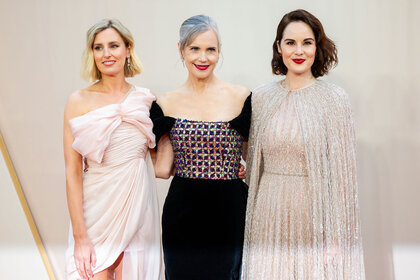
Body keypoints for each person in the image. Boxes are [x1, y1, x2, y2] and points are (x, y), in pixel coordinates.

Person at [241, 9, 365, 279]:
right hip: (267, 213)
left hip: (312, 216)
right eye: (290, 42)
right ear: (279, 47)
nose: (299, 51)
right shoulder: (261, 97)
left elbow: (342, 178)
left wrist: (335, 236)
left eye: (307, 42)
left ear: (316, 47)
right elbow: (251, 163)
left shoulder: (334, 99)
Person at [150, 15, 251, 280]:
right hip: (182, 215)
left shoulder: (241, 97)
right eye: (194, 48)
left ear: (219, 52)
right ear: (181, 50)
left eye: (210, 49)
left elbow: (254, 160)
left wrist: (240, 171)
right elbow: (161, 168)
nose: (202, 58)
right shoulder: (165, 102)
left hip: (229, 213)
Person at [63, 19, 162, 280]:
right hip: (95, 213)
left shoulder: (145, 99)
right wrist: (80, 236)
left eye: (114, 46)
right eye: (98, 47)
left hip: (138, 211)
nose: (106, 54)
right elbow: (72, 172)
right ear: (91, 53)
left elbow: (160, 164)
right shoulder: (77, 101)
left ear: (128, 49)